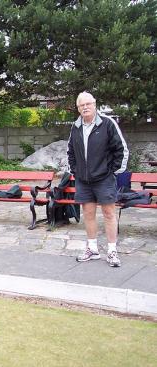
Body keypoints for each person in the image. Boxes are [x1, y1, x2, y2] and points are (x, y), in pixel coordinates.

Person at [67, 92, 129, 267]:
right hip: (83, 180)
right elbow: (70, 151)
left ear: (95, 104)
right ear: (78, 108)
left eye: (88, 104)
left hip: (104, 179)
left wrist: (113, 172)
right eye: (81, 105)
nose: (85, 107)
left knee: (109, 214)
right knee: (88, 214)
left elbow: (121, 150)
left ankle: (112, 251)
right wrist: (75, 170)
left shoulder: (108, 124)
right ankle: (92, 249)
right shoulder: (76, 127)